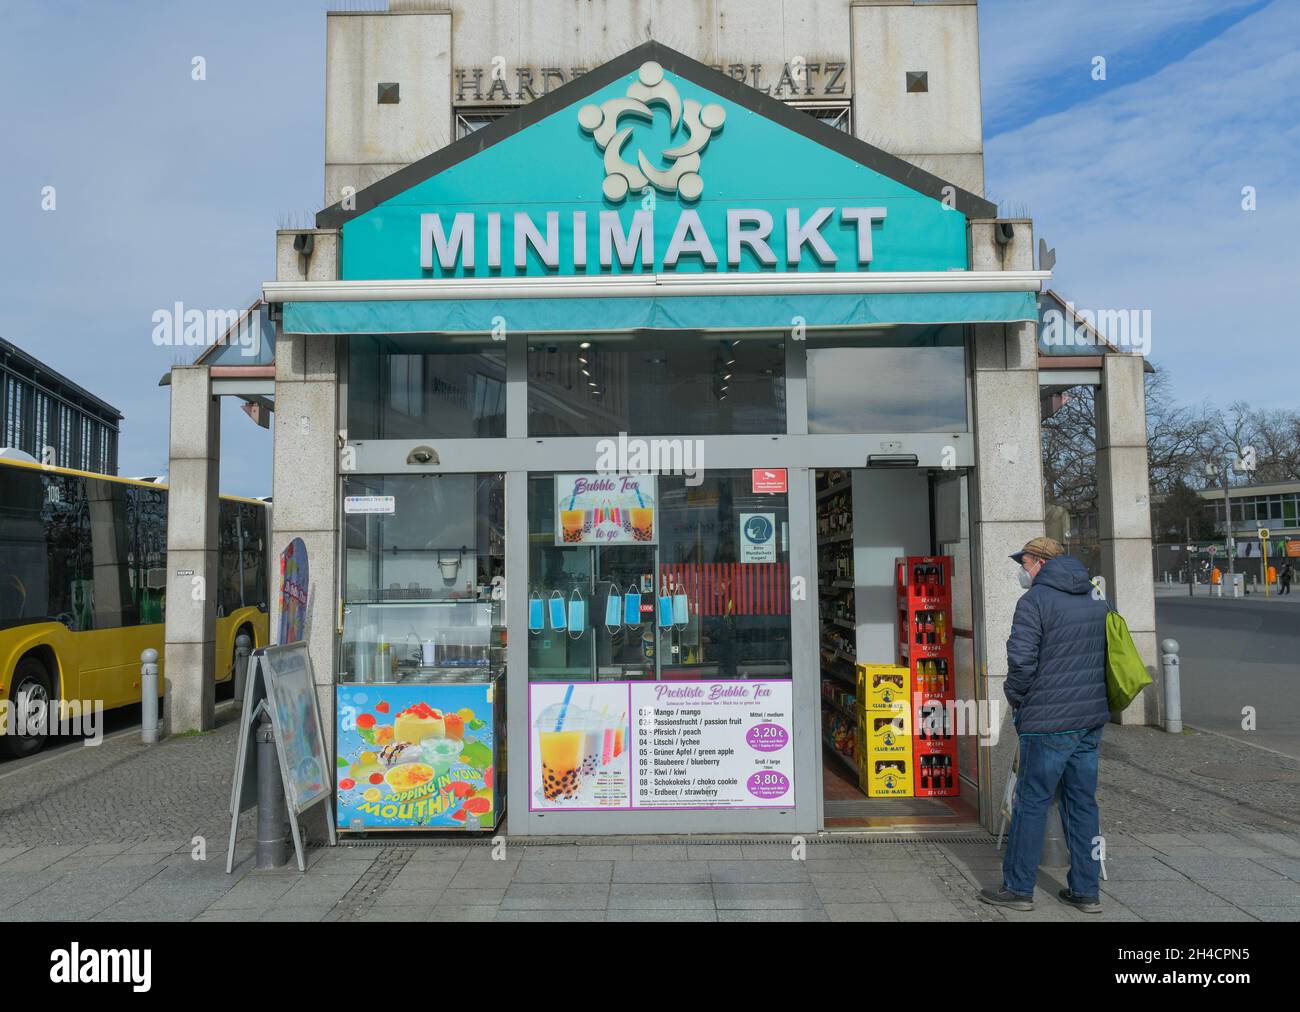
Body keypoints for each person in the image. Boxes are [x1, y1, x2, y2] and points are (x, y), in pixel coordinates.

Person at [980, 536, 1111, 914]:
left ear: (1039, 562)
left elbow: (1021, 663)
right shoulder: (1095, 596)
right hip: (1089, 719)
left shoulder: (1034, 601)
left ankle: (1018, 888)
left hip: (1049, 720)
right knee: (1082, 802)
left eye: (1024, 562)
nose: (1021, 570)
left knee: (1032, 802)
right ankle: (1086, 891)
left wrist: (1018, 699)